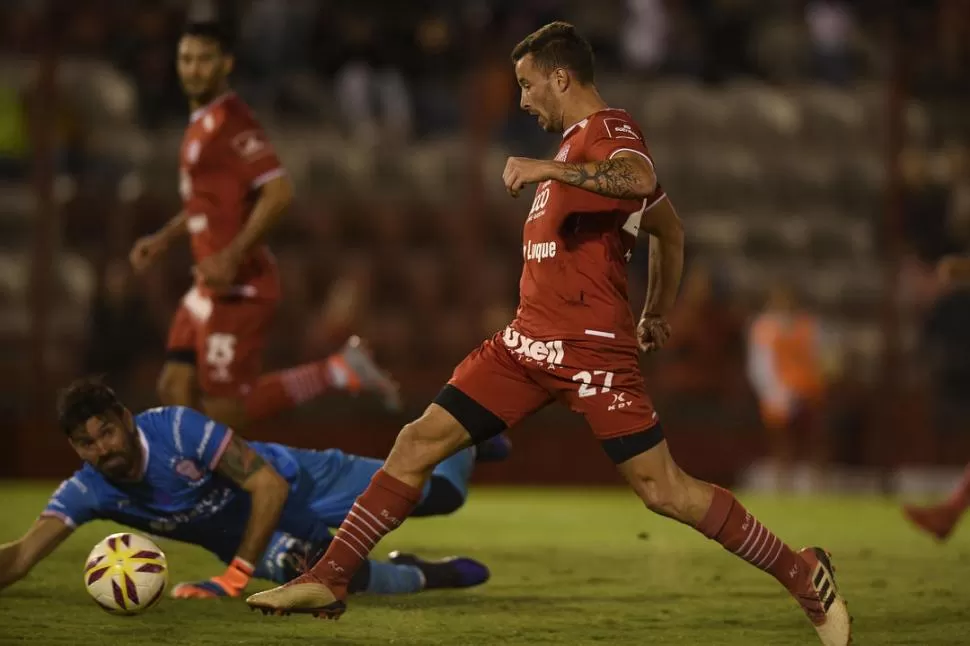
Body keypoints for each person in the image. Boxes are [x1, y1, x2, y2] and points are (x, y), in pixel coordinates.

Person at [245, 22, 851, 646]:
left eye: (528, 85)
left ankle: (801, 572)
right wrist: (656, 308)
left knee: (663, 491)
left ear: (561, 77)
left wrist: (546, 174)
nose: (524, 99)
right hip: (524, 345)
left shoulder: (609, 130)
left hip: (591, 351)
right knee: (417, 441)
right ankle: (331, 575)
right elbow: (669, 230)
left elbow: (640, 184)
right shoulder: (566, 153)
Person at [128, 20, 399, 432]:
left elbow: (278, 191)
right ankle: (200, 488)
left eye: (204, 60)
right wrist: (164, 239)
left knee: (225, 412)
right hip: (209, 286)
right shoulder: (199, 126)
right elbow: (210, 205)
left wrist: (231, 254)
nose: (193, 69)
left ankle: (336, 371)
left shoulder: (233, 124)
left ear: (226, 64)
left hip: (239, 284)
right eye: (186, 59)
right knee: (174, 386)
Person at [0, 378, 494, 599]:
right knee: (332, 579)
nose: (102, 448)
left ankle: (463, 443)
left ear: (126, 420)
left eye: (106, 432)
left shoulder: (176, 431)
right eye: (86, 444)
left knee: (438, 497)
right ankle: (423, 576)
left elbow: (268, 486)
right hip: (257, 538)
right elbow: (21, 557)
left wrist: (234, 578)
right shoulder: (89, 490)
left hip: (295, 479)